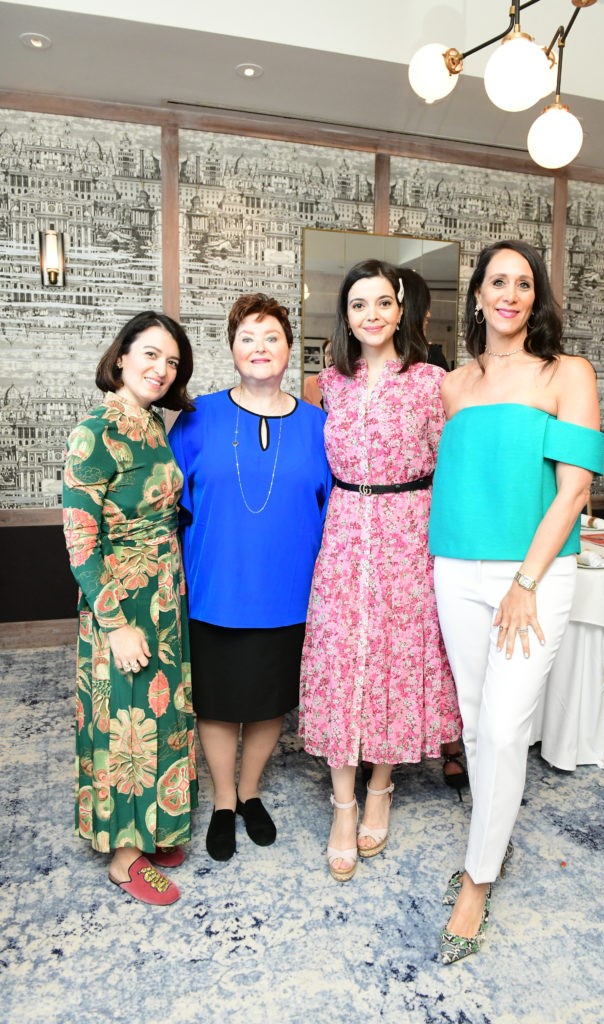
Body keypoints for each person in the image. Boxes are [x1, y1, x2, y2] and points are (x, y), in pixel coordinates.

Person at [429, 240, 604, 963]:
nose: (509, 293)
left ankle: (477, 878)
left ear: (536, 299)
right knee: (475, 720)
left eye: (522, 283)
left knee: (504, 728)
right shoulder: (452, 386)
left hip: (531, 577)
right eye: (496, 281)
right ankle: (485, 839)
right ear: (475, 296)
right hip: (452, 567)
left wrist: (523, 583)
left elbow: (574, 490)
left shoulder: (566, 373)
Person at [299, 258, 461, 882]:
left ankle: (380, 789)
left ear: (402, 311)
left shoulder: (429, 381)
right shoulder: (327, 384)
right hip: (343, 532)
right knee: (340, 661)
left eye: (383, 303)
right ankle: (343, 805)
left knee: (394, 660)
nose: (371, 314)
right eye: (359, 304)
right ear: (346, 314)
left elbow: (452, 470)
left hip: (406, 533)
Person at [170, 293, 330, 862]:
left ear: (289, 349)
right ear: (232, 349)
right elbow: (169, 502)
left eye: (271, 338)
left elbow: (335, 508)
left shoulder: (319, 424)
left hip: (289, 590)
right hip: (213, 586)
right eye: (247, 338)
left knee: (268, 701)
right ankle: (220, 799)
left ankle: (250, 790)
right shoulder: (196, 418)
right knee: (216, 703)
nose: (259, 349)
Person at [62, 311, 198, 906]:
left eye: (171, 361)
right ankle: (123, 858)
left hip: (164, 595)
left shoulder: (150, 425)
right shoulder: (94, 431)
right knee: (127, 725)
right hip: (120, 599)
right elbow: (79, 542)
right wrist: (115, 625)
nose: (161, 370)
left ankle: (154, 826)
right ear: (121, 357)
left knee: (162, 716)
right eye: (150, 355)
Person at [401, 266, 466, 792]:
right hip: (387, 515)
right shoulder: (345, 375)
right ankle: (443, 745)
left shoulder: (436, 376)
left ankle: (447, 740)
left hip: (424, 511)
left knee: (433, 631)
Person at [303, 338, 333, 407]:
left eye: (335, 353)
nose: (331, 358)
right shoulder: (310, 383)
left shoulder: (352, 385)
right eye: (327, 354)